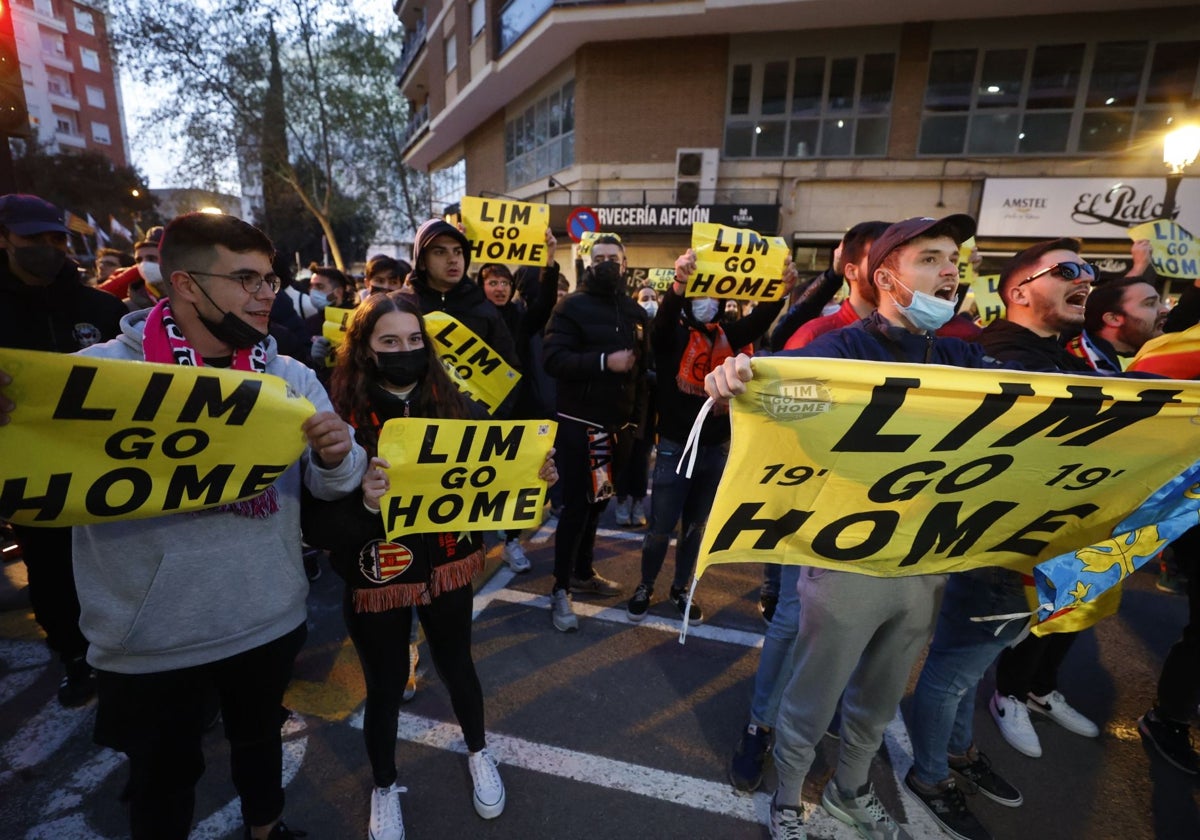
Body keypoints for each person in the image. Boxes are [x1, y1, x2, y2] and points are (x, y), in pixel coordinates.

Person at [1, 211, 367, 840]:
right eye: (246, 279)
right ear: (185, 284)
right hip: (150, 638)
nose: (265, 295)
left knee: (260, 747)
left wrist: (338, 455)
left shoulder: (289, 378)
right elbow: (26, 492)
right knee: (161, 781)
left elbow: (333, 483)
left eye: (271, 280)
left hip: (266, 617)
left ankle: (267, 828)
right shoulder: (95, 376)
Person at [705, 214, 1003, 840]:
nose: (950, 269)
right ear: (886, 277)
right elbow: (773, 393)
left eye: (954, 257)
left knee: (879, 697)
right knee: (814, 696)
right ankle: (786, 797)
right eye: (930, 257)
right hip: (845, 560)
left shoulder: (965, 354)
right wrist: (732, 382)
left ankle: (849, 791)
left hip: (924, 562)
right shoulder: (838, 350)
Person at [303, 292, 557, 839]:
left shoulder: (458, 404)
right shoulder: (337, 416)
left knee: (457, 662)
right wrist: (367, 505)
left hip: (447, 562)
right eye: (389, 341)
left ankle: (478, 750)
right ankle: (384, 785)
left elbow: (491, 479)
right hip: (377, 572)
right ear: (364, 348)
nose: (404, 350)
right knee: (387, 682)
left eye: (415, 340)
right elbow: (317, 528)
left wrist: (533, 473)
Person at [904, 239, 1109, 840]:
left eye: (1090, 272)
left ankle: (960, 754)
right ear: (1019, 291)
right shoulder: (993, 357)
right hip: (998, 551)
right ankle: (930, 773)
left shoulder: (1067, 357)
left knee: (977, 667)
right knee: (951, 672)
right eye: (1068, 271)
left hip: (1044, 551)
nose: (1085, 281)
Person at [727, 220, 887, 793]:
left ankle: (831, 720)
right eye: (892, 256)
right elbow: (787, 420)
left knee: (866, 629)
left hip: (892, 517)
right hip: (820, 509)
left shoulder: (929, 343)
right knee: (794, 625)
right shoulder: (820, 333)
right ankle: (760, 725)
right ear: (858, 270)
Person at [0, 193, 129, 707]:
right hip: (32, 473)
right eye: (34, 240)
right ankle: (76, 657)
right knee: (51, 570)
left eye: (57, 238)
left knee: (117, 562)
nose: (49, 249)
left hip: (111, 466)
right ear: (5, 239)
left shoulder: (99, 309)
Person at [628, 253, 790, 625]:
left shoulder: (726, 337)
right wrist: (679, 286)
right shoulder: (671, 337)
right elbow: (665, 318)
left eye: (715, 297)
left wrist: (781, 290)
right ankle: (645, 585)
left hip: (714, 450)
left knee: (697, 529)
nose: (708, 303)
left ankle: (681, 589)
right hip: (673, 448)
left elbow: (761, 319)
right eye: (701, 295)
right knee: (659, 530)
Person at [543, 235, 651, 631]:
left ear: (625, 264)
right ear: (589, 263)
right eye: (599, 258)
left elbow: (642, 374)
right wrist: (605, 361)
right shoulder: (569, 307)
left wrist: (636, 426)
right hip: (579, 429)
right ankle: (559, 588)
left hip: (618, 432)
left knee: (597, 504)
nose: (606, 264)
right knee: (574, 509)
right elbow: (553, 359)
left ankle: (583, 572)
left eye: (614, 259)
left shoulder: (635, 311)